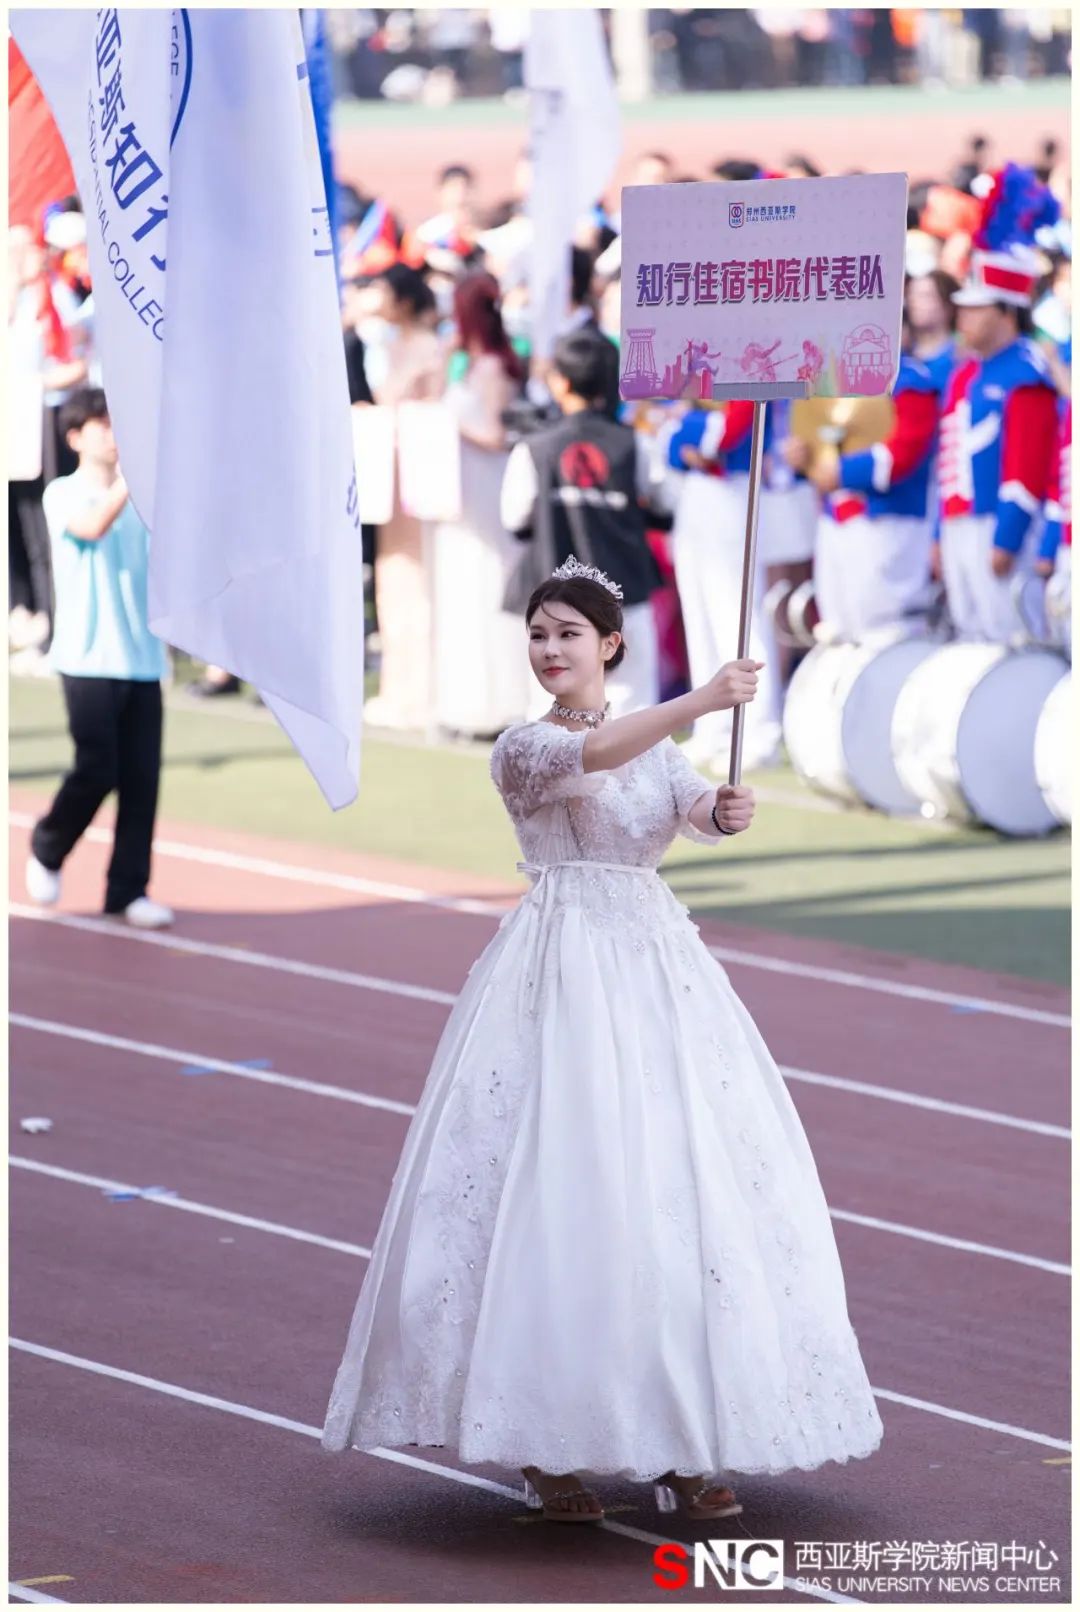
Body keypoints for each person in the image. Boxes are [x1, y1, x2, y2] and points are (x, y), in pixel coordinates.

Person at [322, 559, 884, 1519]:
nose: (549, 649)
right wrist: (701, 699)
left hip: (657, 972)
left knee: (675, 1189)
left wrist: (722, 813)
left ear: (609, 645)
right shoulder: (524, 747)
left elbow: (688, 805)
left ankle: (679, 1439)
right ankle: (548, 1450)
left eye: (568, 634)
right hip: (557, 974)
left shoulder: (653, 746)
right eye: (538, 634)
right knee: (562, 1190)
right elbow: (595, 754)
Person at [24, 388, 172, 929]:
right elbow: (91, 528)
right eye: (101, 425)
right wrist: (133, 482)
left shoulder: (147, 499)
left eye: (116, 424)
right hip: (86, 658)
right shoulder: (61, 494)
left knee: (141, 781)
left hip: (143, 657)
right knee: (97, 767)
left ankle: (128, 890)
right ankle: (48, 844)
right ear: (75, 437)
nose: (113, 434)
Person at [500, 328, 664, 719]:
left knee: (549, 708)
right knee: (631, 709)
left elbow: (514, 518)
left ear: (561, 382)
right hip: (625, 591)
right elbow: (665, 504)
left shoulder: (534, 446)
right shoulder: (636, 444)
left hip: (552, 598)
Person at [786, 315, 941, 642]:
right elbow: (815, 437)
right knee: (836, 628)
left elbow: (905, 452)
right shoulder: (830, 378)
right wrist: (801, 458)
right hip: (836, 519)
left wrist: (843, 471)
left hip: (888, 519)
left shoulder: (910, 380)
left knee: (887, 629)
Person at [938, 239, 1059, 642]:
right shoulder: (964, 374)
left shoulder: (1024, 373)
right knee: (970, 636)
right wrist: (939, 535)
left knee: (1014, 637)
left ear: (1006, 312)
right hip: (960, 523)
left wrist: (1006, 537)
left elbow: (1028, 469)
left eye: (976, 308)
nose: (963, 316)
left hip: (998, 525)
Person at [431, 271, 530, 736]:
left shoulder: (493, 367)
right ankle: (466, 703)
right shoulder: (469, 364)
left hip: (487, 488)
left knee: (488, 584)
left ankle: (501, 702)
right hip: (460, 492)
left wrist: (450, 423)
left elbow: (496, 434)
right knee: (462, 590)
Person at [664, 400, 783, 772]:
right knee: (701, 622)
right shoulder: (700, 379)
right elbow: (668, 445)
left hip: (735, 490)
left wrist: (685, 421)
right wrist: (682, 433)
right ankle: (711, 727)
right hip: (697, 496)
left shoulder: (750, 370)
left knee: (740, 619)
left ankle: (759, 731)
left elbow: (724, 434)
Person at [363, 264, 444, 731]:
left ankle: (422, 692)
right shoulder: (389, 347)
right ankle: (397, 688)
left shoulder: (430, 348)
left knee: (417, 582)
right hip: (385, 476)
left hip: (418, 478)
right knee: (392, 579)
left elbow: (433, 412)